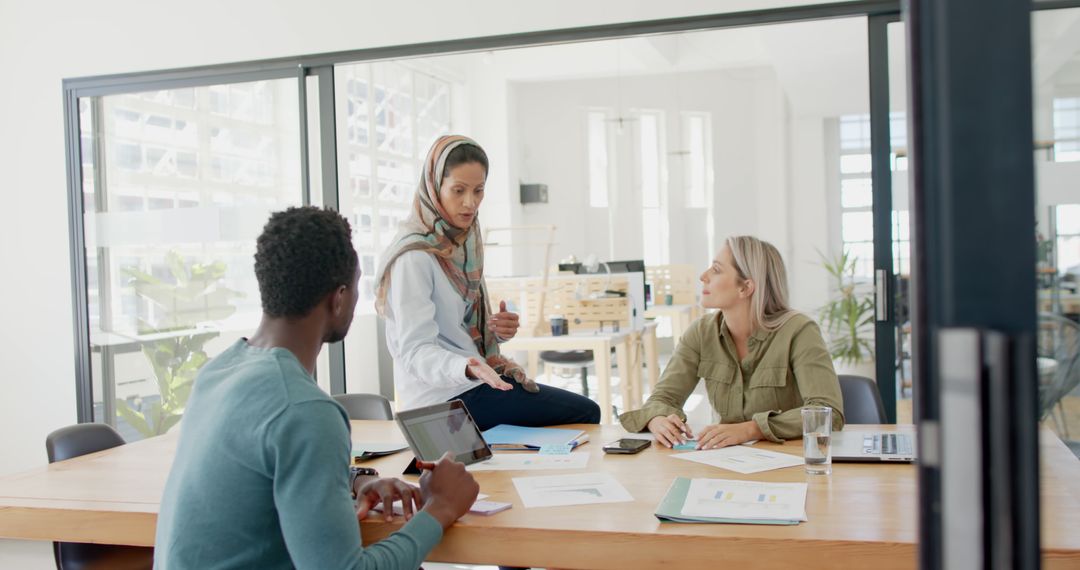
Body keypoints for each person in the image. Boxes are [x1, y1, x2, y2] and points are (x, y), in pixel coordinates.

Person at [155, 206, 479, 569]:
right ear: (338, 298)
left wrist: (349, 482)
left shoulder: (218, 372)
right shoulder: (305, 410)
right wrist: (440, 509)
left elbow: (256, 477)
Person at [375, 135, 600, 430]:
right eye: (458, 190)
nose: (470, 203)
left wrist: (497, 331)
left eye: (478, 190)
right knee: (586, 413)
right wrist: (467, 367)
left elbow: (460, 327)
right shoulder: (414, 256)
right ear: (433, 186)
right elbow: (415, 351)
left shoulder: (462, 245)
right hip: (444, 400)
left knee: (575, 416)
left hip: (471, 385)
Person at [619, 235, 844, 449]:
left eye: (716, 270)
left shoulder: (799, 331)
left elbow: (828, 413)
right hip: (725, 462)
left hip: (790, 462)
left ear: (745, 287)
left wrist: (752, 429)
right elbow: (663, 397)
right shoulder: (701, 332)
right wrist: (657, 419)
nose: (703, 276)